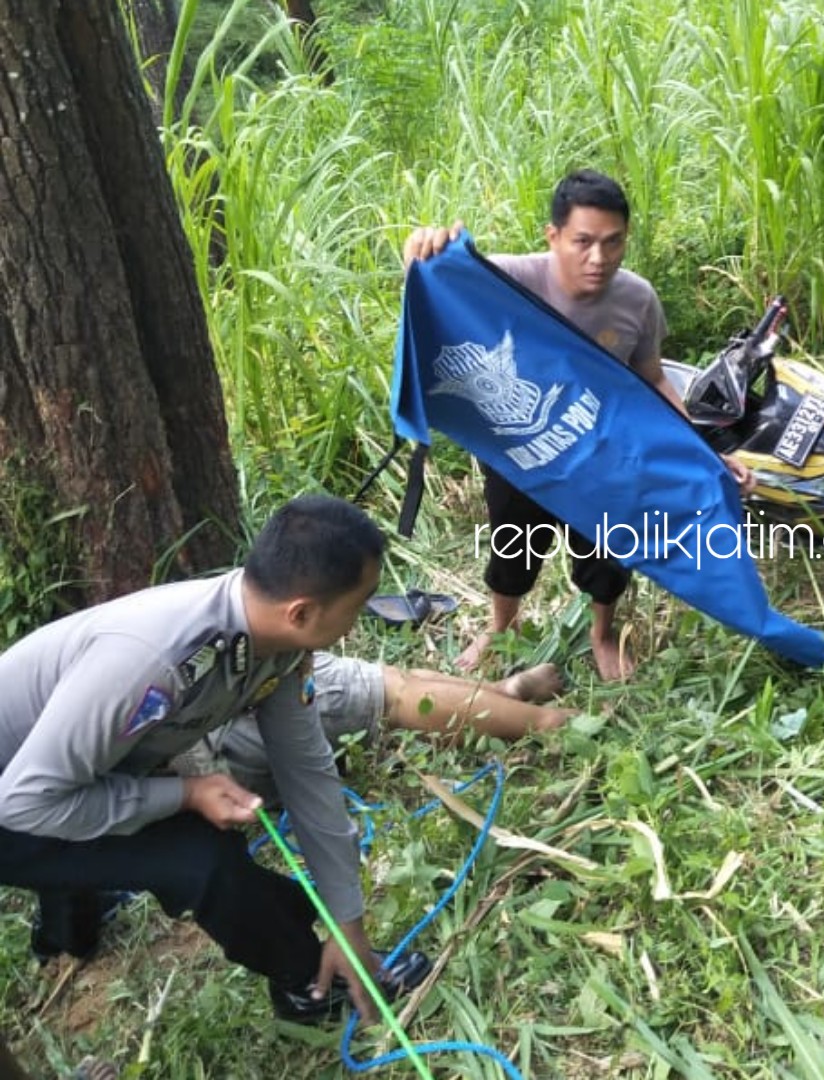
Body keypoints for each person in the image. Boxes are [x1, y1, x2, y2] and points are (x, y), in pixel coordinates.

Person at [0, 495, 429, 1026]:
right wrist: (185, 793)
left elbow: (306, 771)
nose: (359, 618)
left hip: (53, 772)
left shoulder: (271, 640)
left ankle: (66, 929)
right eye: (356, 605)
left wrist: (348, 922)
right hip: (14, 803)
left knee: (99, 826)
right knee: (204, 859)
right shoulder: (154, 662)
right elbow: (23, 802)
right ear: (302, 611)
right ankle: (305, 983)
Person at [403, 169, 754, 682]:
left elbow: (652, 379)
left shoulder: (637, 299)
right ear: (553, 237)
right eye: (583, 241)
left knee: (611, 549)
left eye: (613, 243)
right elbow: (429, 285)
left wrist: (703, 452)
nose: (599, 258)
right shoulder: (506, 280)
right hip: (522, 451)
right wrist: (423, 249)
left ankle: (603, 634)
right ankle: (501, 626)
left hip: (601, 451)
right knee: (514, 539)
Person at [169, 651, 574, 801]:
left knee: (382, 681)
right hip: (215, 747)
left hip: (210, 724)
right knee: (386, 695)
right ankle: (549, 724)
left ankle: (502, 691)